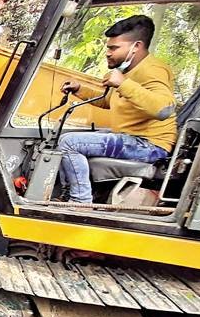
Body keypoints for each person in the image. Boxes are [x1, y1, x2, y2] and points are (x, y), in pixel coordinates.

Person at [57, 15, 177, 203]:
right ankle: (67, 194)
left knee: (69, 143)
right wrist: (80, 90)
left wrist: (123, 84)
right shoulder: (127, 71)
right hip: (131, 138)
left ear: (136, 46)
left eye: (114, 48)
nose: (108, 53)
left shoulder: (153, 69)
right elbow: (108, 101)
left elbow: (164, 109)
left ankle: (80, 202)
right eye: (108, 47)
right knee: (64, 137)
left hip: (149, 145)